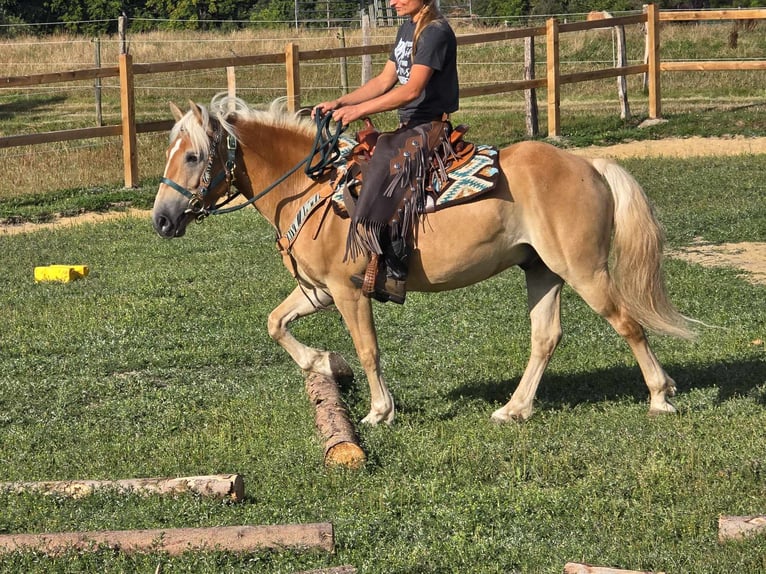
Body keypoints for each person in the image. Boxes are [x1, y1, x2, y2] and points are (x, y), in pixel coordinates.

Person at [313, 0, 458, 304]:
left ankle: (394, 270)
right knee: (363, 162)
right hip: (408, 125)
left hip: (428, 126)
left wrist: (359, 111)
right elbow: (384, 80)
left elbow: (411, 90)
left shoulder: (434, 32)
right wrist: (340, 103)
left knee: (385, 170)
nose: (392, 2)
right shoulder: (408, 27)